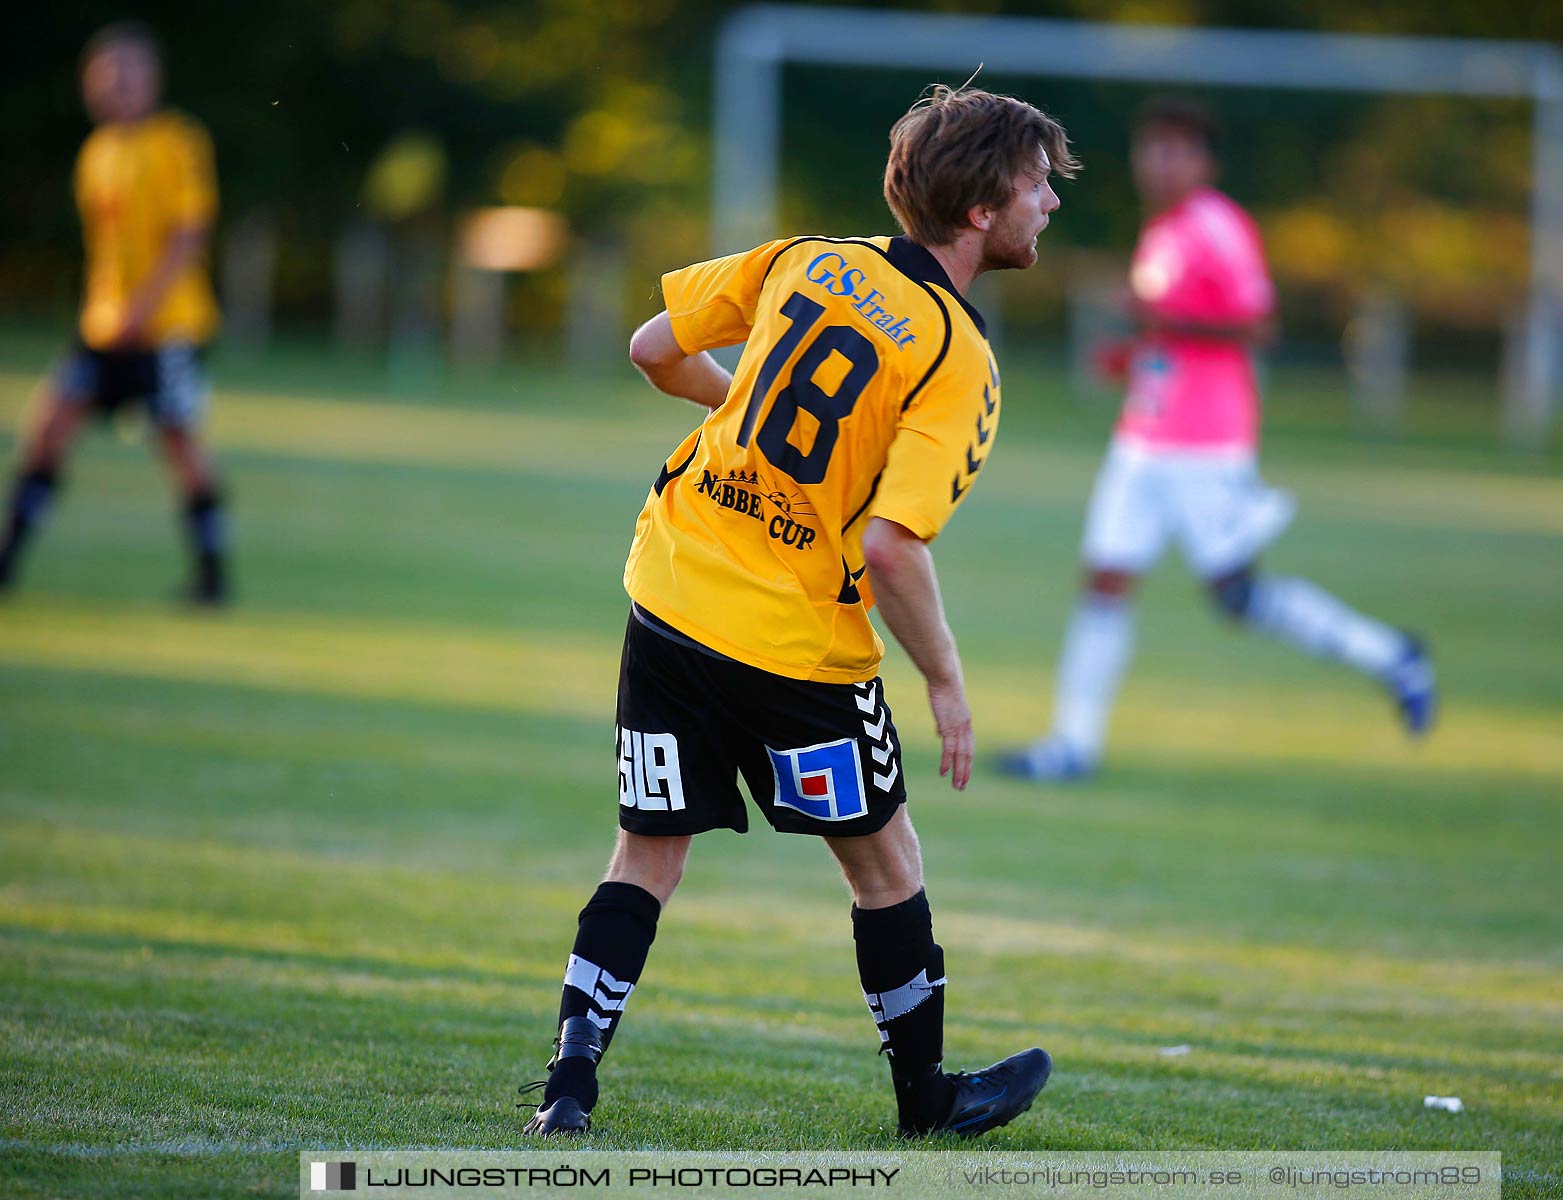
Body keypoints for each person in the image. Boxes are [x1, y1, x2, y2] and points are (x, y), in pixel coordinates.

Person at [518, 85, 1077, 1140]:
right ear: (977, 213)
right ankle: (926, 1099)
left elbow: (651, 347)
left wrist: (736, 411)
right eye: (1034, 182)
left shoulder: (809, 257)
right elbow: (889, 548)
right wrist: (949, 680)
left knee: (646, 850)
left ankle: (569, 1083)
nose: (1049, 199)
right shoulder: (959, 359)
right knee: (886, 864)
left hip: (673, 591)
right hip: (798, 646)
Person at [1000, 98, 1435, 784]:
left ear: (1204, 161)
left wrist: (1161, 320)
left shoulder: (1217, 227)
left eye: (1177, 150)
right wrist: (1137, 354)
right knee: (1105, 579)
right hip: (1145, 435)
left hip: (1204, 444)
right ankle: (1071, 745)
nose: (1161, 163)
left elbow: (1257, 327)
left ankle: (1391, 655)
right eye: (1153, 148)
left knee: (1237, 597)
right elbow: (1174, 332)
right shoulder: (1165, 230)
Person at [0, 22, 230, 605]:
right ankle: (9, 562)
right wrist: (102, 315)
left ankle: (212, 576)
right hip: (103, 327)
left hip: (167, 326)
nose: (119, 85)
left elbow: (187, 238)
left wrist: (142, 311)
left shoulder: (177, 142)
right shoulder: (96, 154)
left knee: (179, 442)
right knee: (47, 429)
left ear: (153, 80)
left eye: (130, 72)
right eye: (108, 75)